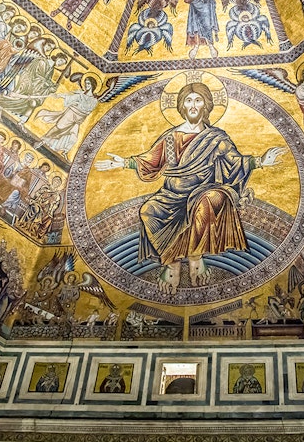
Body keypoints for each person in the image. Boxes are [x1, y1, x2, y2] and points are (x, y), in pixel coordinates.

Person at [95, 82, 285, 289]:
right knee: (147, 211)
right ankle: (172, 262)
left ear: (206, 105)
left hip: (204, 190)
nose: (193, 105)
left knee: (210, 200)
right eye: (188, 101)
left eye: (198, 100)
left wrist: (260, 161)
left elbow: (234, 161)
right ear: (182, 106)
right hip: (172, 194)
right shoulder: (170, 137)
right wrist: (123, 162)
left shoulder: (216, 138)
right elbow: (151, 160)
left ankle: (196, 257)